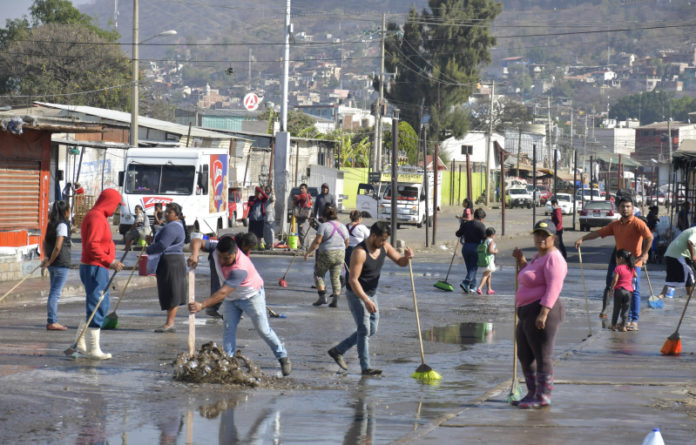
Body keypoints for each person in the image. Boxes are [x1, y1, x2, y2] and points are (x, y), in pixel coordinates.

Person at [187, 236, 291, 376]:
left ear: (234, 253)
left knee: (263, 330)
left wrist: (202, 305)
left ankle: (282, 357)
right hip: (232, 298)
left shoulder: (240, 268)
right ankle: (228, 364)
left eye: (226, 258)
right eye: (220, 257)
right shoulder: (217, 247)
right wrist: (195, 254)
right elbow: (197, 241)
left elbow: (222, 292)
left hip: (251, 296)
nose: (222, 262)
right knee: (228, 330)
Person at [327, 221, 414, 376]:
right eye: (381, 240)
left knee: (372, 329)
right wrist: (366, 300)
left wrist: (407, 258)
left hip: (372, 293)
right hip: (357, 293)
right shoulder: (359, 252)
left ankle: (338, 350)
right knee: (364, 329)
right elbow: (353, 280)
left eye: (385, 240)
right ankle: (365, 367)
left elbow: (400, 262)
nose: (383, 243)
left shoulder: (385, 247)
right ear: (373, 235)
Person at [511, 219, 567, 409]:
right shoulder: (538, 256)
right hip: (526, 312)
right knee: (525, 355)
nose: (540, 238)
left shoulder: (554, 258)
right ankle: (532, 393)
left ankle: (543, 396)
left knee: (542, 355)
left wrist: (543, 313)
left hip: (543, 312)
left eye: (545, 235)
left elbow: (554, 287)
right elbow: (530, 277)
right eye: (538, 234)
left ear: (554, 238)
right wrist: (522, 262)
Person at [575, 197, 652, 330]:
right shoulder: (615, 225)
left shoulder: (638, 223)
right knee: (619, 289)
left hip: (634, 263)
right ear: (618, 208)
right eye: (622, 206)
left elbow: (649, 237)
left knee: (633, 291)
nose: (625, 209)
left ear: (632, 208)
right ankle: (623, 320)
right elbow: (599, 233)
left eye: (628, 206)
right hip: (619, 263)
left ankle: (634, 321)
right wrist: (583, 238)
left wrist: (644, 254)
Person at [77, 188, 125, 360]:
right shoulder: (96, 217)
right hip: (95, 266)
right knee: (99, 304)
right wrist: (110, 261)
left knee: (96, 304)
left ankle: (81, 342)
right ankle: (92, 349)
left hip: (97, 266)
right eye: (116, 205)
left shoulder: (97, 216)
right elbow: (92, 245)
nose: (116, 209)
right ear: (109, 202)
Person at [146, 202, 188, 333]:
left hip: (172, 261)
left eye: (170, 212)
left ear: (177, 215)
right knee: (169, 290)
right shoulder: (171, 226)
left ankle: (170, 323)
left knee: (172, 291)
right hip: (169, 261)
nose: (166, 214)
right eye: (166, 211)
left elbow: (163, 245)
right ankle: (169, 322)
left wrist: (149, 249)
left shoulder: (173, 227)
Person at [304, 205, 349, 308]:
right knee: (335, 277)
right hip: (340, 253)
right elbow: (347, 242)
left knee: (318, 274)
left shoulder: (324, 226)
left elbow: (317, 242)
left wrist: (308, 252)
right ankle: (335, 300)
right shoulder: (343, 226)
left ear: (324, 217)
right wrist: (341, 249)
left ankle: (322, 297)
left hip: (326, 253)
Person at [41, 200, 72, 331]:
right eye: (69, 210)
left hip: (53, 264)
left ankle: (52, 319)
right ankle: (52, 321)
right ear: (65, 211)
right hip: (60, 263)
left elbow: (44, 242)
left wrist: (47, 258)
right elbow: (58, 246)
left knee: (53, 292)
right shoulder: (62, 225)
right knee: (55, 293)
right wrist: (50, 260)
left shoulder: (51, 224)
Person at [657, 226, 696, 300]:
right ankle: (690, 295)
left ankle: (663, 294)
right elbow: (690, 242)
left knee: (673, 276)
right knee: (690, 274)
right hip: (678, 254)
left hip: (672, 253)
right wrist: (693, 256)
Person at [455, 208, 487, 293]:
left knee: (470, 268)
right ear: (481, 218)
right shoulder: (481, 225)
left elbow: (458, 234)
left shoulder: (467, 224)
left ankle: (473, 286)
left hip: (465, 248)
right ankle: (465, 282)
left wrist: (462, 226)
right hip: (475, 248)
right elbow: (485, 238)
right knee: (473, 268)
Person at [607, 249, 637, 332]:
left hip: (619, 290)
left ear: (620, 259)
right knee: (625, 309)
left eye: (616, 259)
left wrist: (611, 289)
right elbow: (636, 275)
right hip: (629, 292)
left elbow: (615, 280)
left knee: (616, 309)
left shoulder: (618, 268)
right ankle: (623, 326)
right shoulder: (631, 268)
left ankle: (613, 325)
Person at [475, 227, 498, 295]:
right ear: (492, 235)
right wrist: (495, 251)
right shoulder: (491, 241)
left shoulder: (483, 240)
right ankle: (479, 287)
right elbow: (490, 251)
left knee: (489, 274)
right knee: (486, 274)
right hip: (489, 259)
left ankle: (489, 289)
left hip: (483, 258)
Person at [293, 183, 313, 247]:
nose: (301, 190)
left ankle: (303, 246)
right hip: (306, 216)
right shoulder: (308, 195)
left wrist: (295, 197)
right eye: (300, 188)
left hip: (302, 216)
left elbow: (296, 197)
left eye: (302, 188)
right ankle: (306, 246)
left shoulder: (303, 195)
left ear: (306, 189)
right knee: (306, 232)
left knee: (302, 232)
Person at [263, 185, 275, 250]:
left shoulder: (271, 196)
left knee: (271, 231)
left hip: (270, 215)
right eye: (266, 190)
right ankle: (267, 243)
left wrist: (272, 193)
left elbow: (273, 199)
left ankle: (272, 243)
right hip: (265, 215)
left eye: (268, 190)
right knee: (265, 231)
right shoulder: (264, 197)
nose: (266, 191)